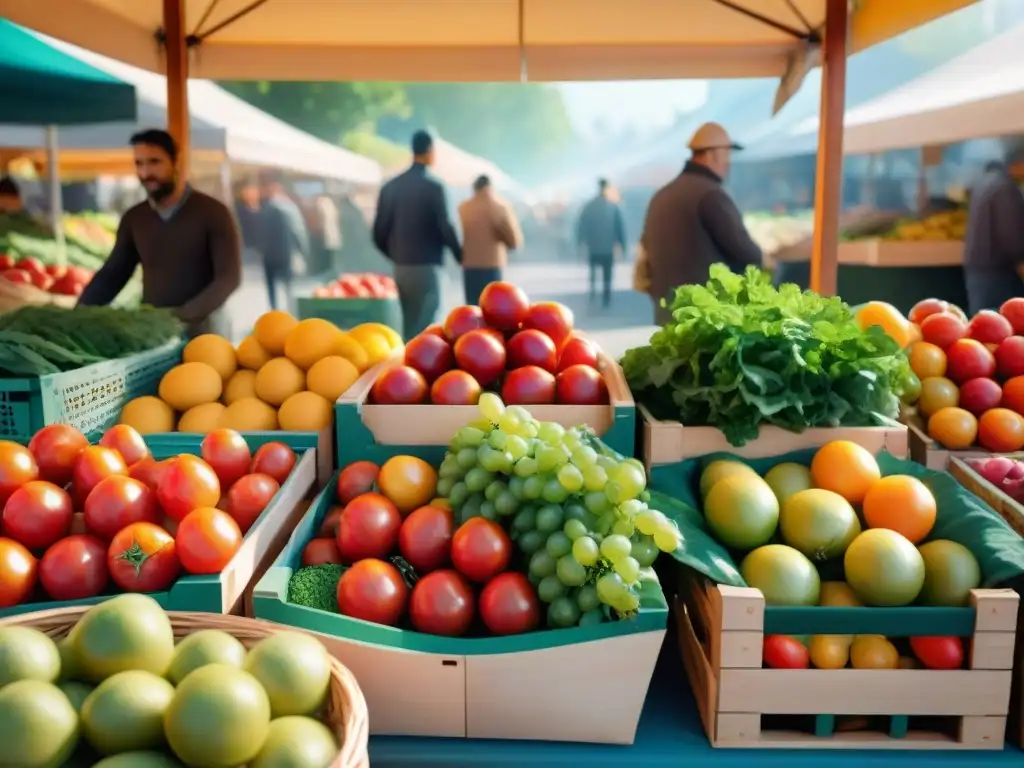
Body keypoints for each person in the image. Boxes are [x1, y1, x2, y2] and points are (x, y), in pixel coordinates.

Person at [78, 129, 241, 338]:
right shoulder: (134, 218)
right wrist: (81, 311)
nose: (146, 173)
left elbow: (229, 278)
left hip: (206, 334)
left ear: (175, 163)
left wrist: (182, 315)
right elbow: (113, 275)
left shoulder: (214, 212)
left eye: (155, 162)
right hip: (154, 334)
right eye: (139, 163)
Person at [639, 122, 762, 325]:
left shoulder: (661, 196)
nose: (728, 162)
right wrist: (767, 259)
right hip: (705, 320)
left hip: (667, 314)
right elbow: (746, 252)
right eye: (727, 154)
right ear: (713, 155)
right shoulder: (711, 195)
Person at [372, 129, 462, 340]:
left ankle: (406, 369)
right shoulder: (435, 186)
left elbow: (378, 232)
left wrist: (395, 255)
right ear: (430, 151)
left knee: (409, 323)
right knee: (429, 330)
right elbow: (446, 225)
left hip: (402, 267)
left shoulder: (391, 187)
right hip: (429, 267)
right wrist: (460, 255)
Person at [963, 158, 1024, 314]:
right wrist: (1020, 260)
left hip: (979, 268)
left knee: (983, 322)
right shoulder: (1005, 188)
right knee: (999, 324)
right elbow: (1011, 234)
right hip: (999, 272)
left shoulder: (983, 183)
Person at [457, 175, 523, 305]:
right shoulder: (500, 207)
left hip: (469, 265)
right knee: (492, 307)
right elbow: (514, 240)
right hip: (492, 265)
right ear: (490, 188)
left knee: (472, 308)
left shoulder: (463, 207)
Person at [259, 172, 311, 313]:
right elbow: (298, 230)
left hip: (276, 252)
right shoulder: (286, 207)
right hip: (280, 251)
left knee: (279, 286)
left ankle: (279, 311)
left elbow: (298, 231)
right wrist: (303, 250)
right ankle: (284, 312)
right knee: (285, 285)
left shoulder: (272, 207)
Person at [576, 179, 626, 309]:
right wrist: (622, 245)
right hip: (607, 247)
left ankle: (594, 295)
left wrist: (580, 242)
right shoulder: (612, 206)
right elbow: (619, 228)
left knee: (594, 272)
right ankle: (606, 298)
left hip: (594, 246)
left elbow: (582, 226)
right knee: (607, 274)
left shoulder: (590, 205)